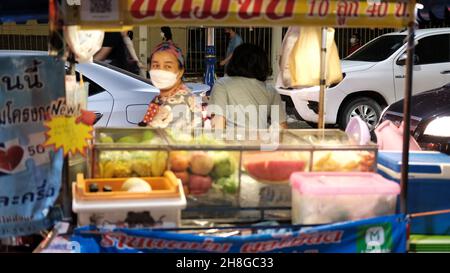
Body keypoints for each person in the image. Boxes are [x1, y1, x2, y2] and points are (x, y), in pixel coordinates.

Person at [209, 43, 287, 130]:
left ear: (234, 62)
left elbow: (217, 126)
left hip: (232, 142)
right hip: (261, 142)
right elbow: (282, 129)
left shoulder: (222, 84)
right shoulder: (271, 91)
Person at [139, 42, 201, 129]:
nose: (160, 72)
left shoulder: (178, 102)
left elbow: (150, 137)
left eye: (168, 66)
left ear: (180, 72)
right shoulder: (161, 97)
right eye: (155, 65)